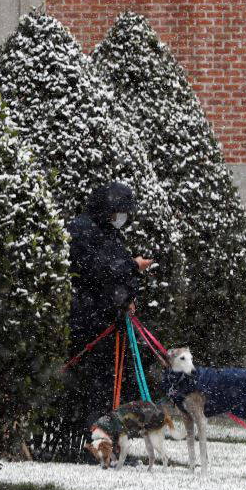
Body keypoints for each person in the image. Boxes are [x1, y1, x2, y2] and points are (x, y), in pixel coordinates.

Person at [64, 181, 154, 436]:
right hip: (89, 322)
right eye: (119, 212)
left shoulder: (109, 233)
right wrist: (133, 266)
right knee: (95, 387)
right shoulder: (83, 230)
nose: (121, 218)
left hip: (110, 321)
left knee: (114, 384)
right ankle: (95, 438)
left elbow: (116, 270)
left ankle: (110, 438)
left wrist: (128, 297)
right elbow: (98, 270)